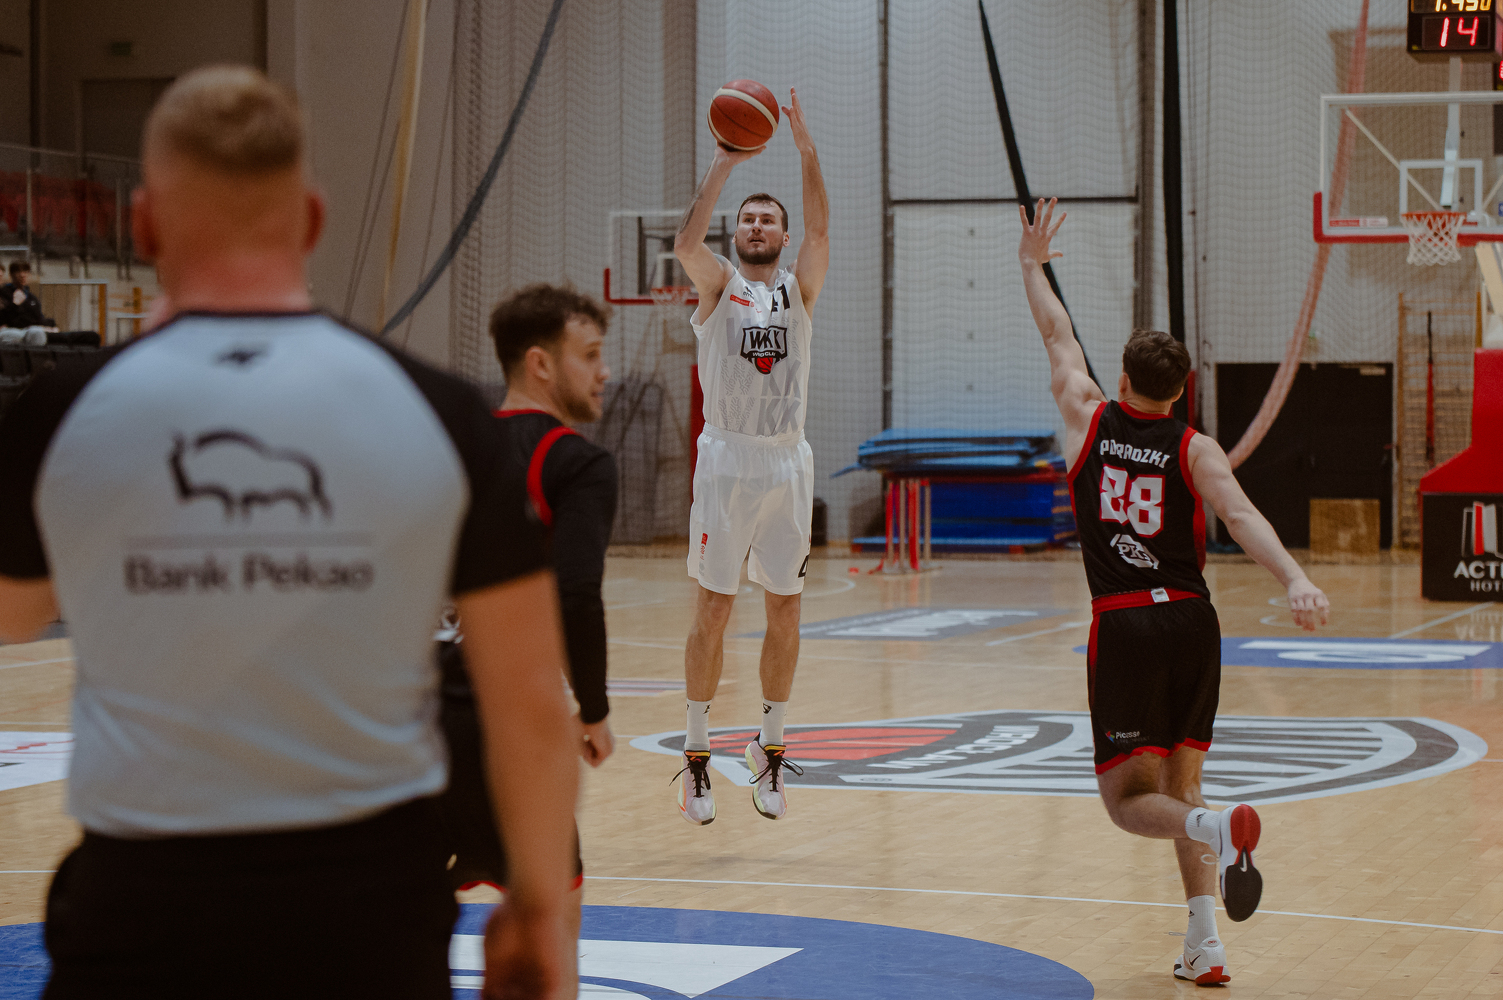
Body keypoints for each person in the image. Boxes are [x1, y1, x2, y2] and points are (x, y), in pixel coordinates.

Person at [0, 66, 578, 1000]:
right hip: (370, 915)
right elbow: (532, 707)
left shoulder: (66, 409)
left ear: (143, 227)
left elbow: (13, 612)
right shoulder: (439, 412)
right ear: (311, 220)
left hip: (141, 910)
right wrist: (541, 906)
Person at [1018, 197, 1330, 987]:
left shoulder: (1085, 415)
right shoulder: (1195, 448)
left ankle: (1216, 829)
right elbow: (1241, 517)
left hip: (1124, 625)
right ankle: (1204, 944)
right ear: (1183, 388)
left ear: (1121, 379)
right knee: (1182, 785)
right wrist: (1294, 579)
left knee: (1129, 802)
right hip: (1194, 622)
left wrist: (1031, 263)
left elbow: (1056, 334)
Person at [436, 283, 618, 970]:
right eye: (590, 355)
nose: (604, 372)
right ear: (540, 364)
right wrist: (593, 711)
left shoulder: (449, 447)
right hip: (508, 725)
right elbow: (575, 592)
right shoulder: (577, 462)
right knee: (550, 941)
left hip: (415, 725)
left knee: (395, 939)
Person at [670, 88, 828, 824]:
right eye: (747, 218)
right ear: (736, 234)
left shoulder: (800, 290)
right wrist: (723, 165)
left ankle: (769, 746)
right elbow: (684, 245)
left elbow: (822, 228)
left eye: (768, 218)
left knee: (785, 612)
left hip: (786, 463)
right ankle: (697, 756)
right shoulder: (718, 286)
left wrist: (804, 151)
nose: (756, 224)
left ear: (783, 236)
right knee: (713, 608)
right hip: (727, 463)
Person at [0, 261, 57, 330]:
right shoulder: (5, 293)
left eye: (25, 272)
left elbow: (38, 317)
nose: (22, 275)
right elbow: (7, 318)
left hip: (33, 328)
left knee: (61, 332)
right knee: (35, 331)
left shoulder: (31, 296)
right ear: (11, 275)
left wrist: (50, 325)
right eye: (18, 272)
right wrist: (15, 304)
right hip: (15, 329)